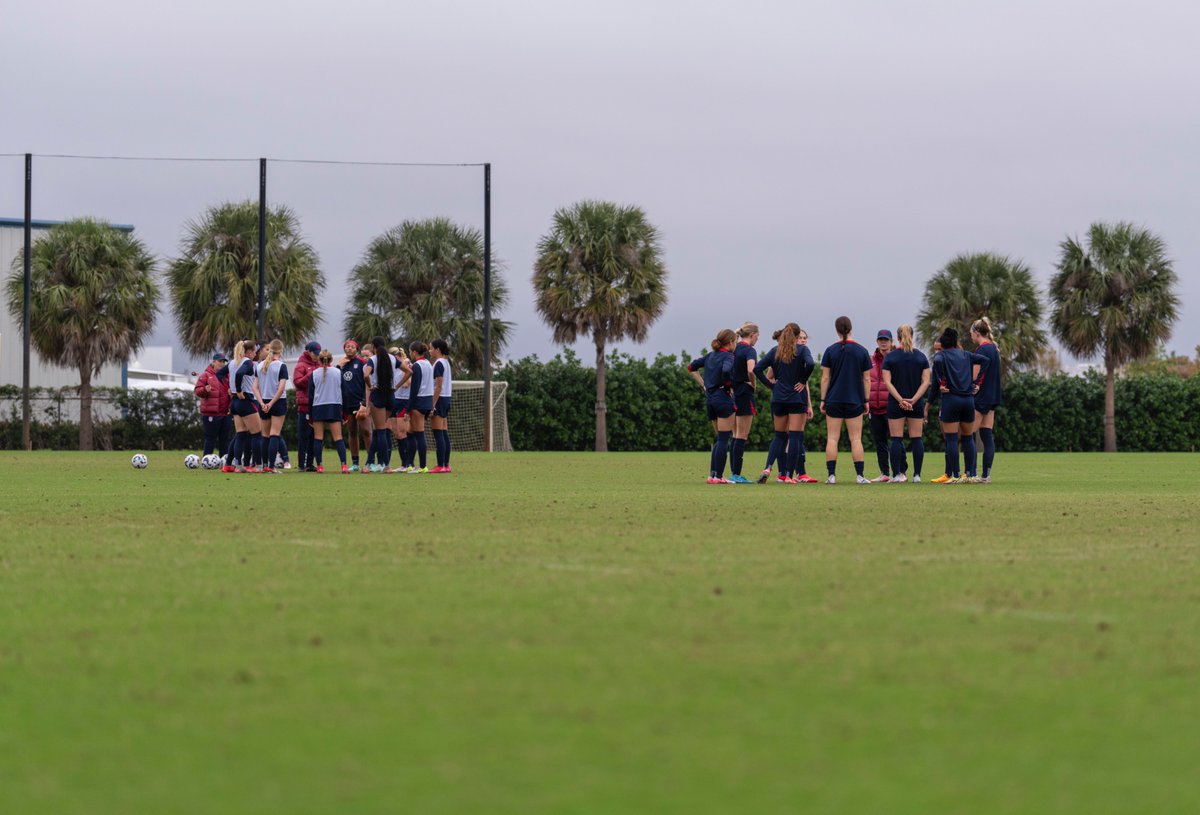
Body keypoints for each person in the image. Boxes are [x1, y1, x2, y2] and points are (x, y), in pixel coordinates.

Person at [754, 323, 817, 483]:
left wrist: (770, 385)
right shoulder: (802, 350)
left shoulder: (776, 351)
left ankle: (768, 467)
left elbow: (757, 369)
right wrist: (803, 380)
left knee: (779, 436)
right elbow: (810, 364)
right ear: (796, 337)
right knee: (795, 436)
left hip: (779, 398)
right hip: (796, 397)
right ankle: (789, 475)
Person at [819, 316, 872, 485]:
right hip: (854, 400)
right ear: (851, 328)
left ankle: (831, 476)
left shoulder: (830, 350)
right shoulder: (862, 351)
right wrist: (866, 400)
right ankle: (860, 476)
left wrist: (822, 399)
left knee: (832, 438)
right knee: (856, 439)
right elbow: (867, 379)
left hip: (833, 400)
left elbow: (825, 378)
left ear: (836, 330)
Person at [931, 327, 988, 484]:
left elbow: (937, 364)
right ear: (956, 342)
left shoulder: (941, 356)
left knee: (951, 439)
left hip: (951, 399)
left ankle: (955, 475)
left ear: (942, 343)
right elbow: (985, 361)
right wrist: (977, 383)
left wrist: (942, 381)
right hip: (968, 400)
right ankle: (969, 474)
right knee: (968, 438)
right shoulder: (965, 354)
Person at [881, 324, 931, 483]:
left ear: (897, 338)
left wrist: (900, 399)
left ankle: (896, 475)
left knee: (896, 439)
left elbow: (887, 382)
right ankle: (917, 475)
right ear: (912, 336)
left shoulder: (890, 357)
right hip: (915, 403)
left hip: (896, 403)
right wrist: (914, 399)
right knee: (917, 438)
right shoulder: (921, 357)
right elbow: (926, 382)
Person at [688, 329, 737, 483]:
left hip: (710, 399)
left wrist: (704, 385)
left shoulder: (710, 356)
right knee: (724, 439)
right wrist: (728, 387)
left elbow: (691, 367)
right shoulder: (729, 356)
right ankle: (720, 477)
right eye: (735, 341)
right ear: (730, 342)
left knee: (719, 439)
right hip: (723, 398)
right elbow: (727, 370)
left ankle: (712, 475)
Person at [727, 322, 760, 484]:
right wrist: (753, 384)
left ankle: (733, 473)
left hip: (731, 393)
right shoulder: (749, 350)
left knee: (734, 435)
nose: (757, 340)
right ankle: (736, 474)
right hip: (744, 393)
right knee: (741, 436)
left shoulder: (732, 348)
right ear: (752, 335)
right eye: (757, 337)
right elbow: (751, 369)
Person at [225, 339, 264, 473]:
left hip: (235, 402)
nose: (256, 353)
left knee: (240, 435)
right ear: (250, 352)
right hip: (245, 401)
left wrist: (230, 388)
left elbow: (219, 374)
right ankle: (258, 465)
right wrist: (239, 390)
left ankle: (237, 465)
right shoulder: (247, 362)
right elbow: (240, 373)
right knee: (257, 434)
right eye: (255, 351)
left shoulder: (234, 362)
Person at [307, 349, 349, 473]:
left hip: (318, 407)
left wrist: (310, 416)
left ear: (319, 360)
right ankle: (344, 465)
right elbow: (344, 393)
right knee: (338, 438)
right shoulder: (338, 372)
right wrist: (345, 414)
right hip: (334, 406)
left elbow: (310, 396)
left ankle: (320, 466)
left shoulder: (314, 374)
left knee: (318, 437)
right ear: (331, 360)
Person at [971, 317, 1002, 483]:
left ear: (976, 333)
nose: (971, 337)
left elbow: (975, 376)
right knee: (986, 434)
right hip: (993, 397)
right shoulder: (995, 349)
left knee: (970, 434)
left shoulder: (981, 351)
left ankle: (972, 473)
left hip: (980, 397)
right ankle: (986, 475)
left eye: (971, 334)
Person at [362, 335, 396, 473]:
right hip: (391, 396)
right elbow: (408, 371)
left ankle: (386, 465)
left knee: (380, 431)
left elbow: (365, 375)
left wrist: (370, 386)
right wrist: (397, 386)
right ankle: (369, 463)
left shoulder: (373, 360)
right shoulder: (392, 358)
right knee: (378, 431)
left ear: (373, 347)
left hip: (379, 396)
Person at [867, 329, 895, 482]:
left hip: (891, 406)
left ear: (891, 342)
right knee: (880, 442)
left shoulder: (896, 359)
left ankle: (899, 472)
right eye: (881, 339)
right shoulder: (870, 360)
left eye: (886, 339)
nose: (883, 342)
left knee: (896, 440)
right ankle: (885, 473)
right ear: (877, 341)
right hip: (874, 407)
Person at [258, 339, 289, 474]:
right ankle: (271, 466)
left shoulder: (259, 365)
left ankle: (265, 465)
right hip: (277, 402)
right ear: (281, 350)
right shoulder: (281, 366)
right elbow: (281, 388)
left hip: (263, 401)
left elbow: (255, 387)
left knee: (265, 435)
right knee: (274, 434)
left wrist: (262, 403)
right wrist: (271, 404)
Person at [337, 339, 368, 471]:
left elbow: (367, 382)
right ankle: (355, 463)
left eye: (352, 347)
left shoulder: (361, 363)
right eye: (347, 347)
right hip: (347, 404)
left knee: (366, 431)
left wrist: (364, 402)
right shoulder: (342, 364)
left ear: (356, 349)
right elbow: (334, 380)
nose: (349, 349)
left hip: (360, 403)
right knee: (352, 432)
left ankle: (370, 461)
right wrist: (339, 366)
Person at [195, 352, 232, 459]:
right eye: (220, 361)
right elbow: (197, 390)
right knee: (210, 438)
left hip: (226, 413)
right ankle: (207, 460)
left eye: (223, 362)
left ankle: (224, 461)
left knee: (225, 439)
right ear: (213, 362)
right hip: (211, 413)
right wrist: (204, 390)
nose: (222, 364)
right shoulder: (206, 375)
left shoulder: (228, 376)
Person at [292, 341, 321, 473]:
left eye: (318, 354)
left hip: (317, 405)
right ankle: (301, 464)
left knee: (315, 436)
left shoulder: (320, 364)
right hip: (305, 406)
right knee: (304, 436)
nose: (316, 356)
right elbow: (297, 383)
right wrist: (312, 375)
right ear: (308, 352)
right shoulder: (301, 365)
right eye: (315, 353)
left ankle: (310, 463)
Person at [408, 341, 436, 474]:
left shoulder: (417, 366)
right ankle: (410, 464)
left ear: (414, 352)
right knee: (412, 432)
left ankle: (423, 466)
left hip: (419, 401)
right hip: (427, 401)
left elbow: (414, 388)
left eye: (410, 352)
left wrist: (409, 408)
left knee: (419, 433)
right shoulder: (429, 365)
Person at [430, 338, 454, 473]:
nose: (430, 351)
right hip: (446, 398)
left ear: (437, 350)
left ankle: (441, 465)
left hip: (440, 399)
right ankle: (446, 464)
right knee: (444, 432)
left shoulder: (439, 363)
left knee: (438, 433)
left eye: (431, 348)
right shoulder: (446, 362)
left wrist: (432, 405)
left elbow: (438, 386)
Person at [389, 346, 414, 473]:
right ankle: (404, 463)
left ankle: (409, 463)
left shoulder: (406, 364)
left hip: (404, 400)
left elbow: (408, 382)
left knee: (403, 432)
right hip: (394, 400)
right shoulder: (392, 367)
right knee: (397, 433)